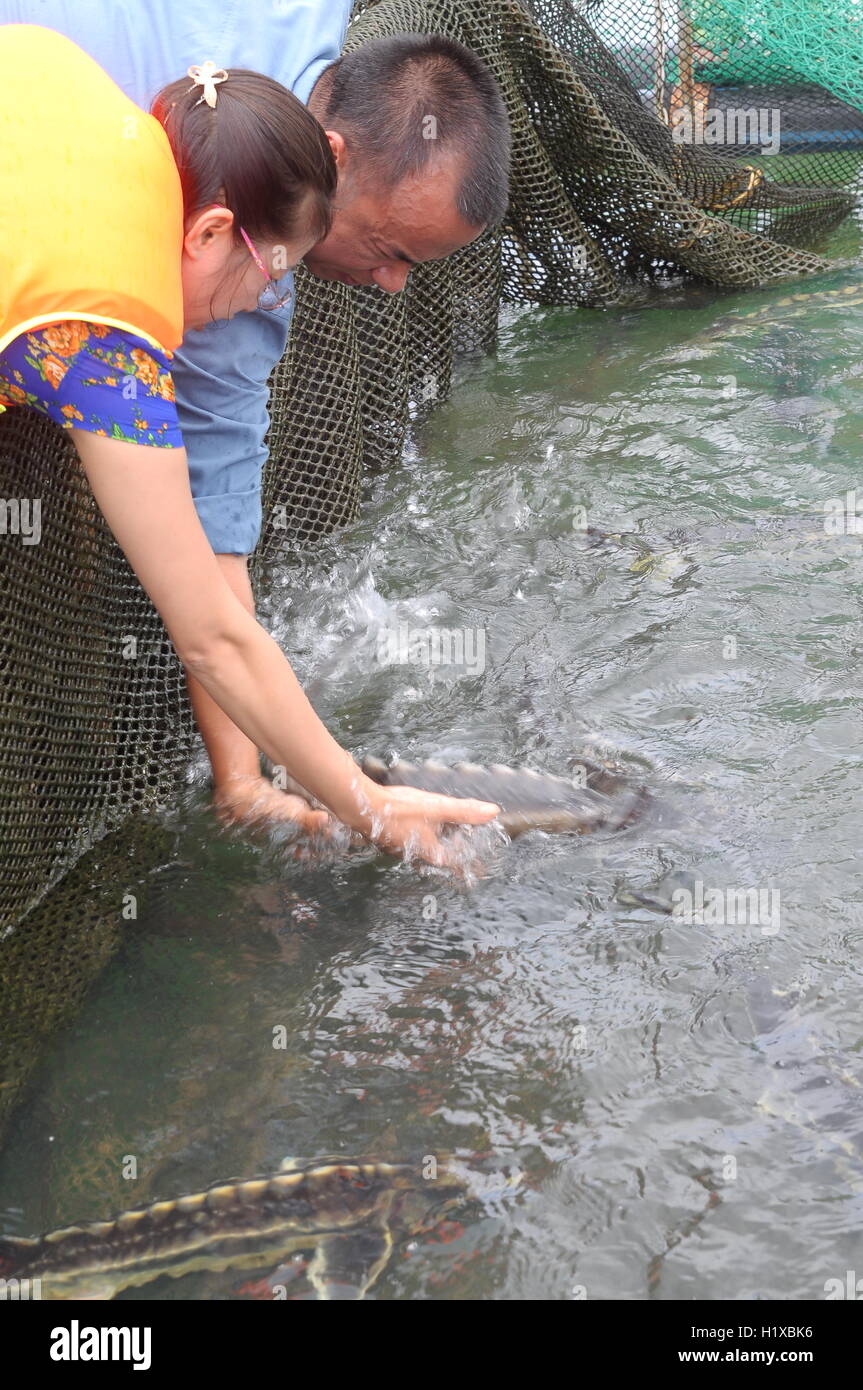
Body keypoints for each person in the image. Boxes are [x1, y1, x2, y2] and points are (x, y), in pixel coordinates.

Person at [0, 2, 513, 840]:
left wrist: (242, 778)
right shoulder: (106, 344)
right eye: (268, 280)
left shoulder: (87, 94)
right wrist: (369, 807)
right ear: (209, 230)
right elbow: (213, 639)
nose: (253, 305)